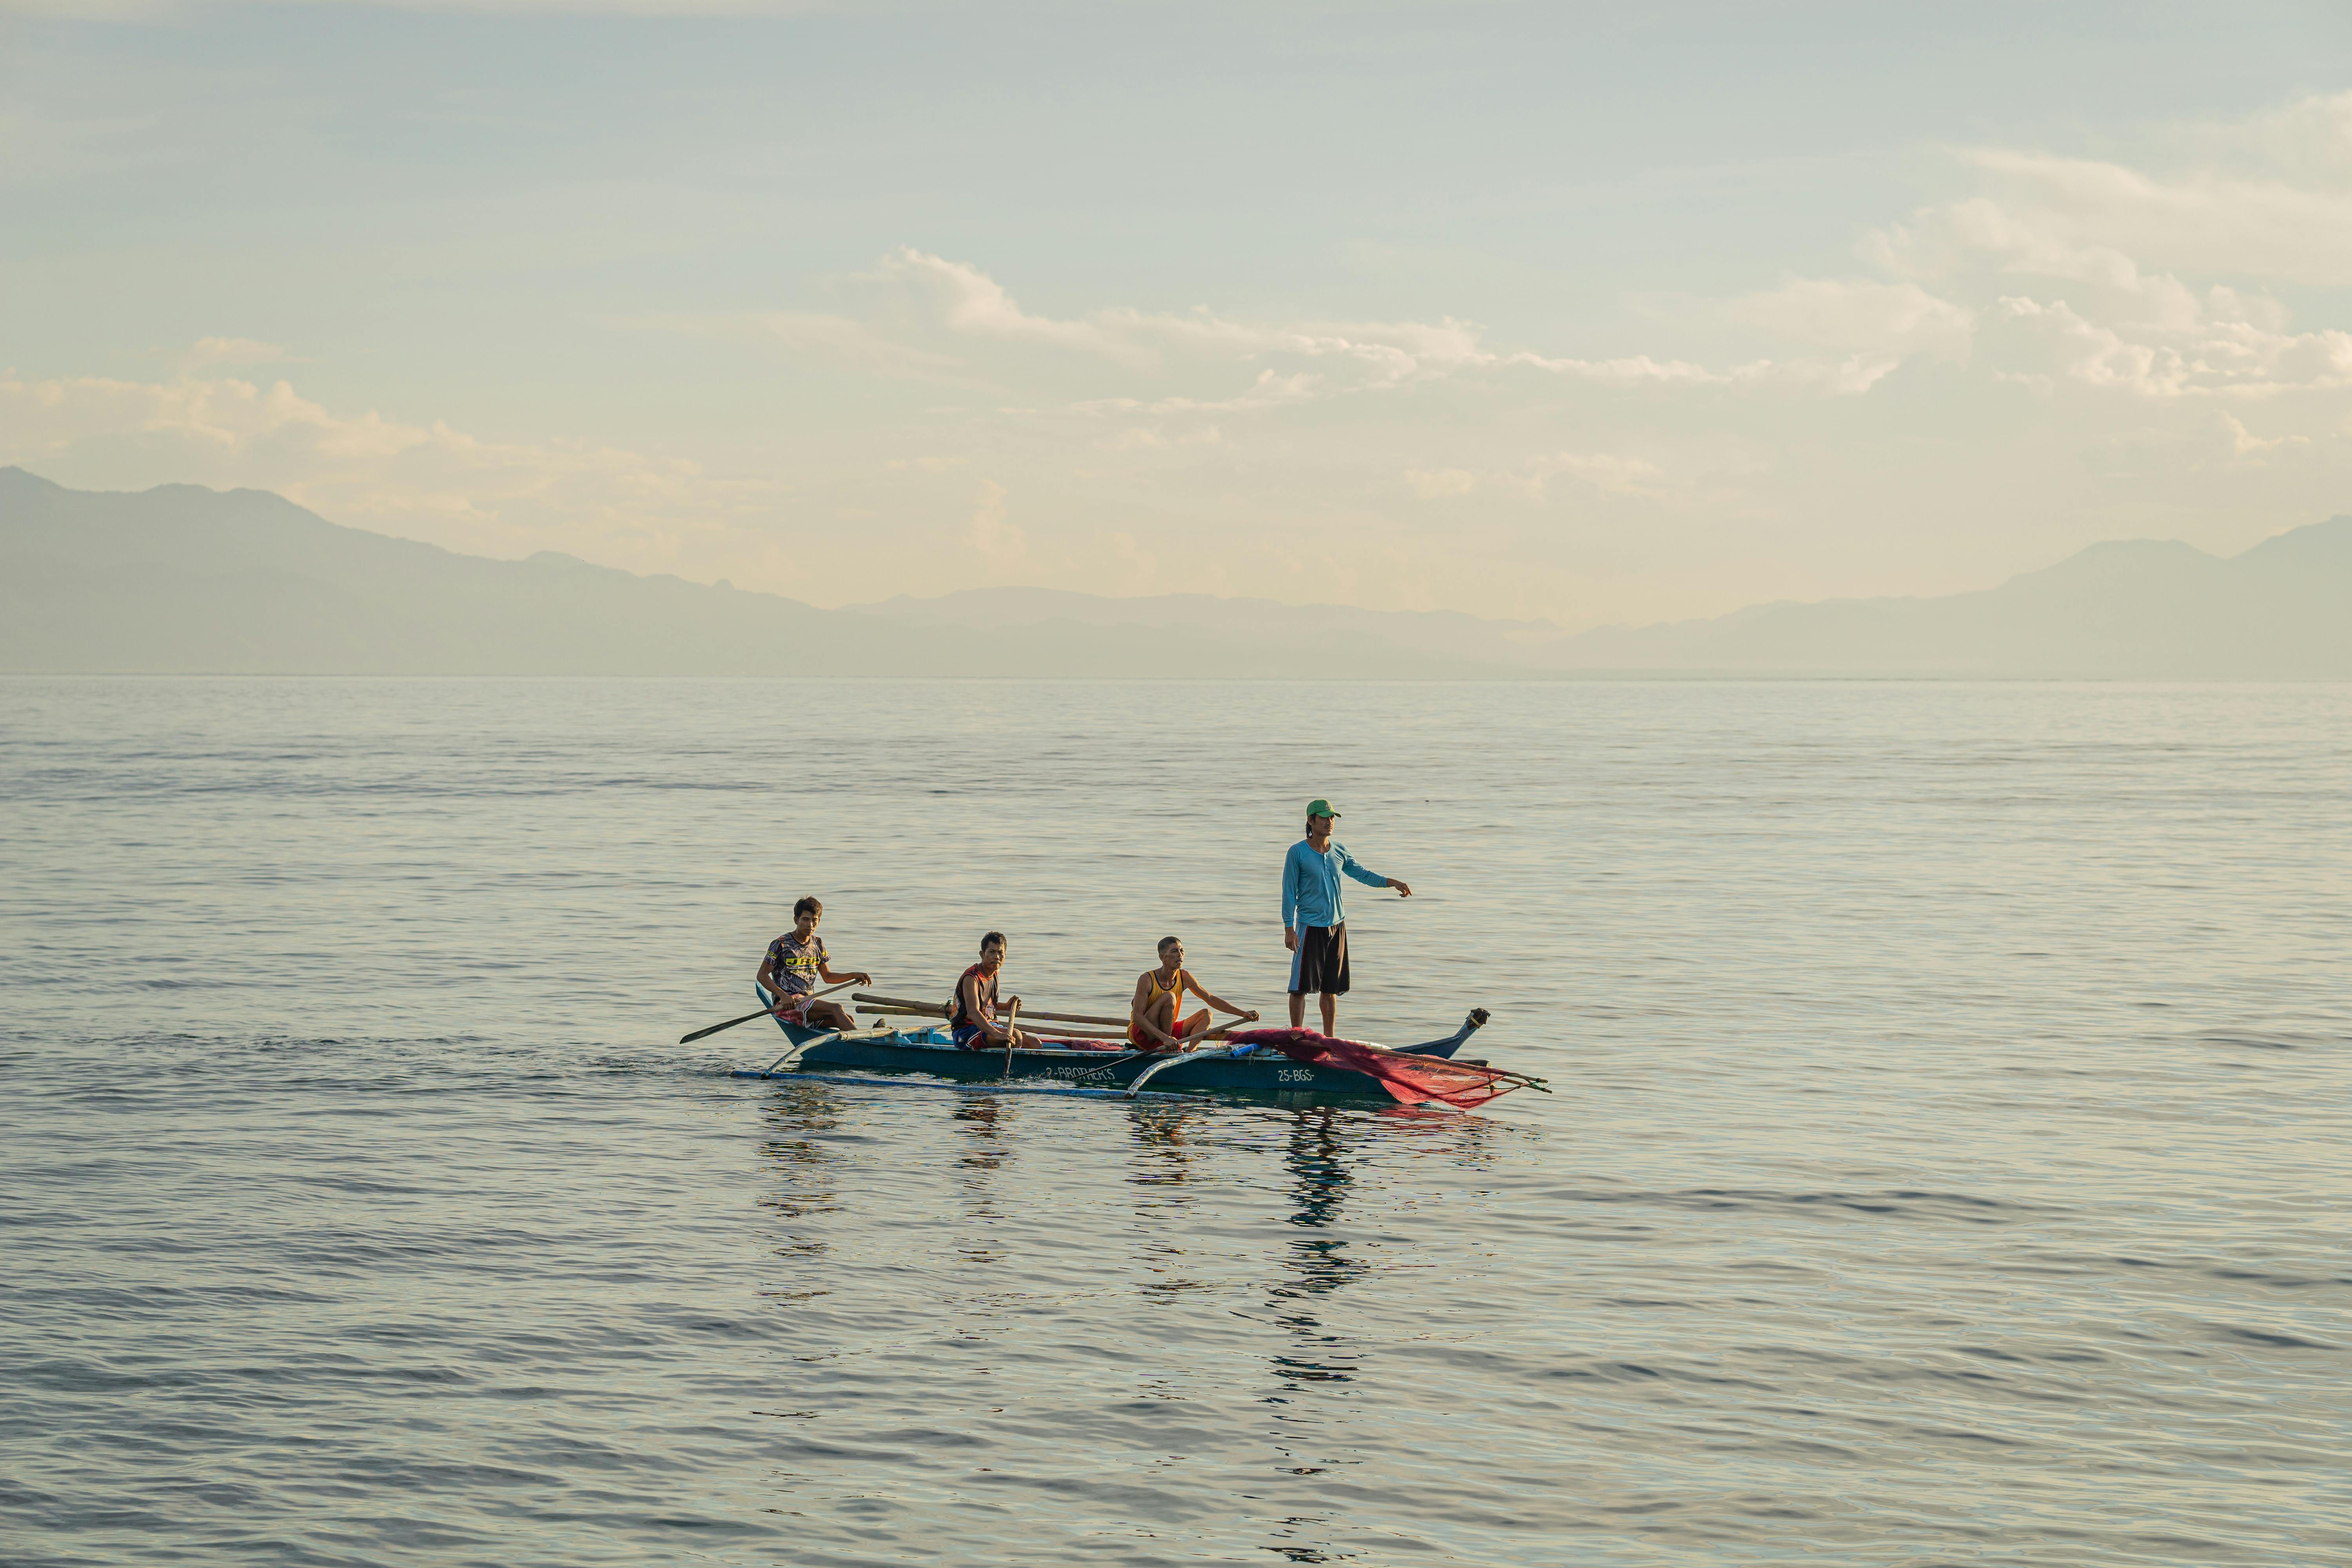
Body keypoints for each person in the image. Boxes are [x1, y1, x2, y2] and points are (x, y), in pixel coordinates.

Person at [1281, 798, 1410, 1036]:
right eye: (1324, 817)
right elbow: (1289, 892)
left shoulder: (1339, 850)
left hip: (1337, 927)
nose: (1330, 822)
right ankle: (1296, 1037)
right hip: (1309, 927)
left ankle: (1330, 1040)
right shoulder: (1297, 853)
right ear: (1311, 820)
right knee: (1299, 988)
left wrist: (1391, 882)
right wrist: (1289, 927)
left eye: (1332, 817)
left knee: (1330, 988)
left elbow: (1362, 874)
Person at [756, 897, 872, 1032]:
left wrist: (854, 975)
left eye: (814, 920)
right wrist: (783, 995)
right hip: (787, 1006)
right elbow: (762, 976)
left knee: (847, 1019)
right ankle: (862, 1041)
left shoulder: (817, 943)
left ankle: (853, 1046)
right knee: (837, 1009)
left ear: (819, 922)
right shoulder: (781, 944)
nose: (810, 925)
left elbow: (828, 977)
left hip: (807, 1002)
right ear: (796, 920)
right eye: (805, 919)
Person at [1128, 936, 1259, 1052]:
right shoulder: (1147, 979)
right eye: (1174, 951)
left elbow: (1210, 999)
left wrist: (1242, 1013)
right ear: (1162, 957)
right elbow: (1139, 1018)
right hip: (1144, 1035)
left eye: (1182, 950)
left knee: (1206, 1014)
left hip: (1168, 1035)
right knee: (1169, 996)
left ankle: (1190, 1053)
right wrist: (1166, 1039)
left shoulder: (1185, 976)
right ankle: (1169, 1048)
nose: (1180, 955)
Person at [951, 931, 1037, 1051]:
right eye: (992, 952)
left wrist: (1007, 1006)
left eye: (1001, 953)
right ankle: (1009, 1068)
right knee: (1016, 1036)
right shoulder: (971, 978)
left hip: (989, 1026)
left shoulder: (995, 973)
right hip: (966, 1032)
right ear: (982, 954)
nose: (997, 957)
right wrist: (996, 1034)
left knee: (1035, 1043)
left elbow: (986, 1007)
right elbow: (973, 1012)